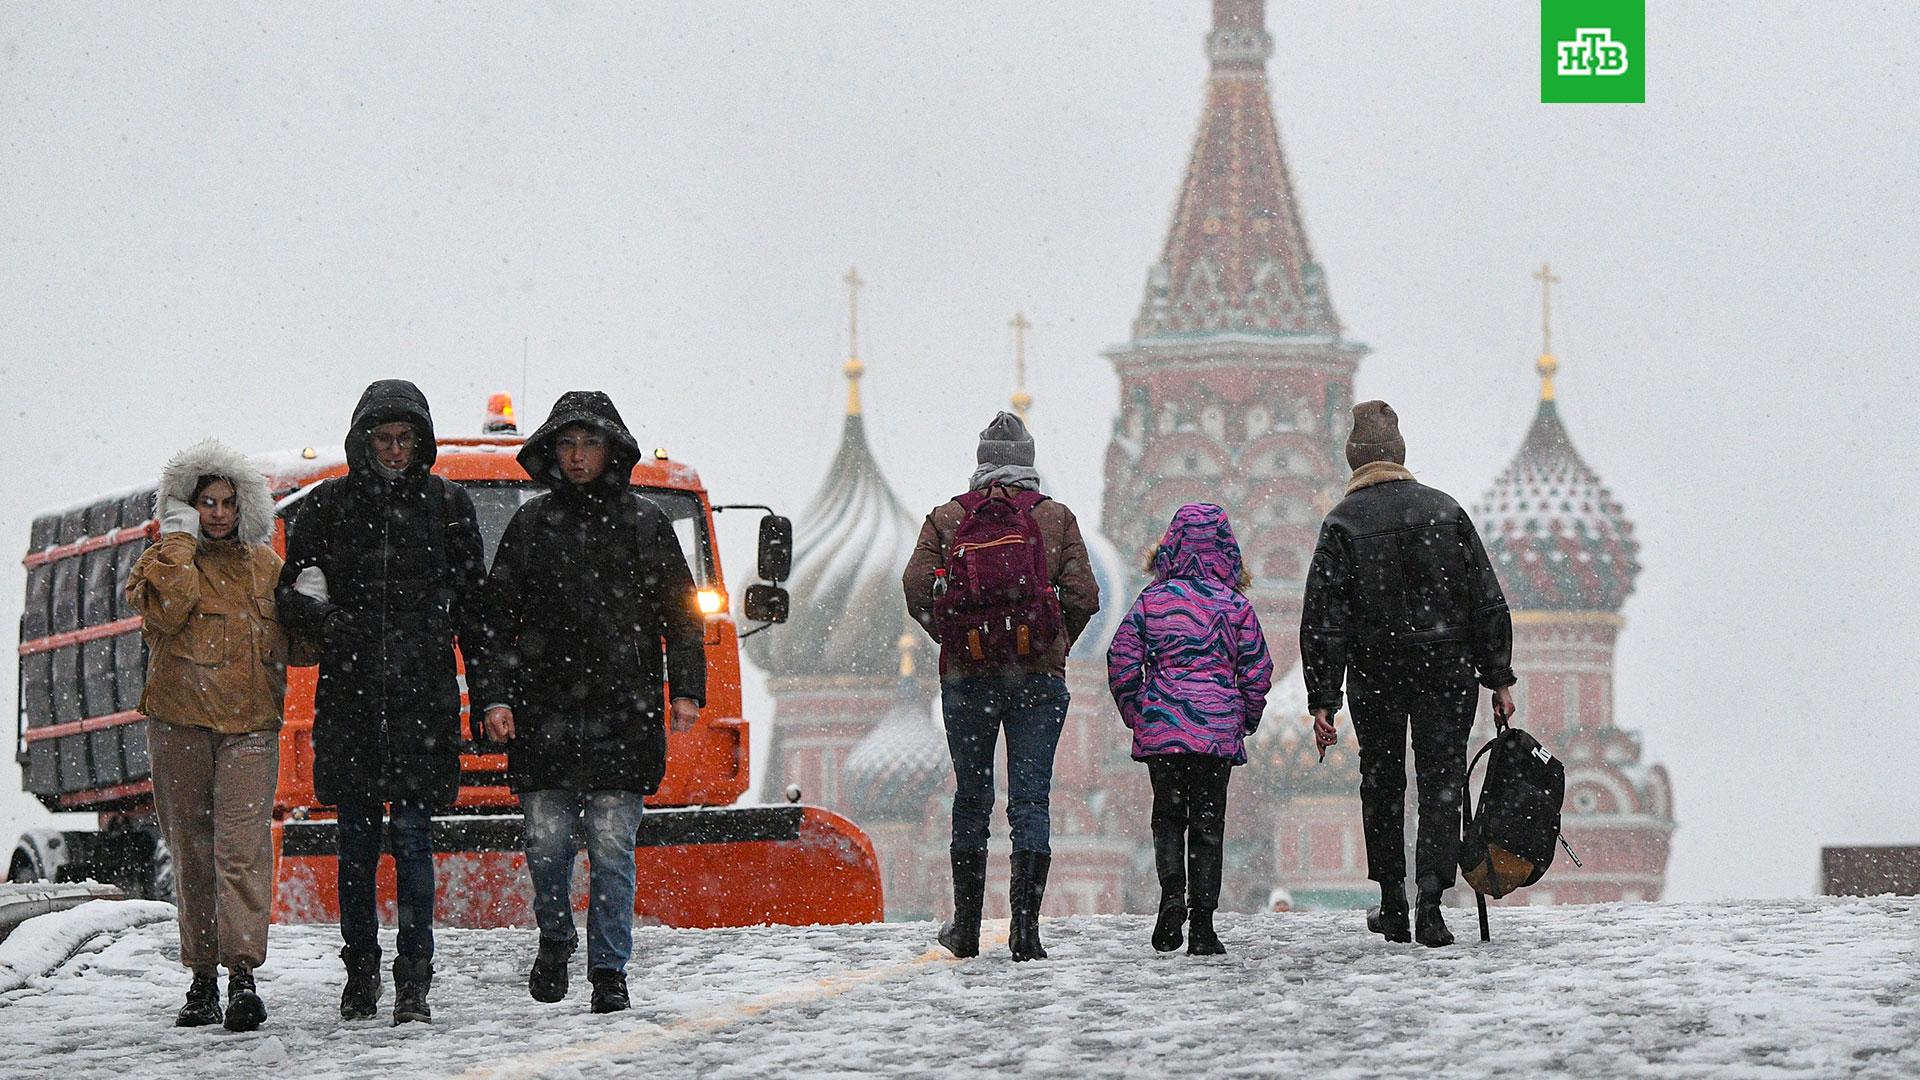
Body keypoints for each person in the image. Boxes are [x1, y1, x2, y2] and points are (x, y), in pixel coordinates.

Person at [478, 391, 706, 1014]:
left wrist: (686, 689)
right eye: (568, 444)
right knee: (547, 845)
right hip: (543, 711)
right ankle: (555, 938)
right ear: (552, 452)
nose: (578, 457)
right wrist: (495, 696)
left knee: (612, 847)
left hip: (624, 713)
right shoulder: (528, 527)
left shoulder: (646, 523)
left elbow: (683, 617)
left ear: (612, 451)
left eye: (590, 444)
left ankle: (609, 970)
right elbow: (496, 622)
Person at [275, 380, 491, 1023]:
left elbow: (475, 614)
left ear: (422, 442)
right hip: (351, 699)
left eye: (406, 439)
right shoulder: (326, 507)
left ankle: (415, 979)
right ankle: (361, 973)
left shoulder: (450, 506)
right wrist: (328, 620)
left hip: (423, 698)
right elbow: (290, 593)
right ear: (363, 442)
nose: (395, 450)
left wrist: (486, 697)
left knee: (416, 842)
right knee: (357, 847)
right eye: (384, 439)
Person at [1300, 401, 1517, 948]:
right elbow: (1486, 600)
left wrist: (1323, 697)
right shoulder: (1445, 511)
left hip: (1377, 672)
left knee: (1383, 781)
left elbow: (1324, 619)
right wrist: (1499, 679)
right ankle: (1431, 903)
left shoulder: (1342, 523)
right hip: (1447, 669)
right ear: (1400, 455)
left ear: (1355, 461)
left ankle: (1391, 901)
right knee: (1441, 781)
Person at [128, 438, 313, 1031]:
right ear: (186, 505)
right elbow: (166, 613)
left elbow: (302, 647)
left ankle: (241, 977)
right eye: (204, 502)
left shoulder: (268, 567)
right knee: (193, 853)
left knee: (241, 853)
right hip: (180, 726)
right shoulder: (161, 564)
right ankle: (201, 979)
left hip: (251, 730)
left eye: (227, 502)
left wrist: (318, 606)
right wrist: (176, 541)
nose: (217, 513)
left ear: (244, 507)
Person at [902, 411, 1100, 962]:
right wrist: (1048, 643)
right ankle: (1025, 931)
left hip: (967, 679)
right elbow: (1085, 595)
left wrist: (955, 637)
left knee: (971, 798)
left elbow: (915, 587)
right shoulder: (1054, 517)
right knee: (1031, 798)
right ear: (1030, 462)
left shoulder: (947, 518)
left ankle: (966, 929)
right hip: (1037, 678)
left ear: (981, 461)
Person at [1106, 504, 1272, 956]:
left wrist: (1139, 711)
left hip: (1163, 730)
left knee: (1167, 818)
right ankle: (1202, 925)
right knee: (1208, 826)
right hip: (1216, 734)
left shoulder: (1152, 600)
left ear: (1170, 546)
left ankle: (1171, 898)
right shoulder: (1235, 605)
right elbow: (1257, 669)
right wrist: (1243, 717)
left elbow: (1121, 660)